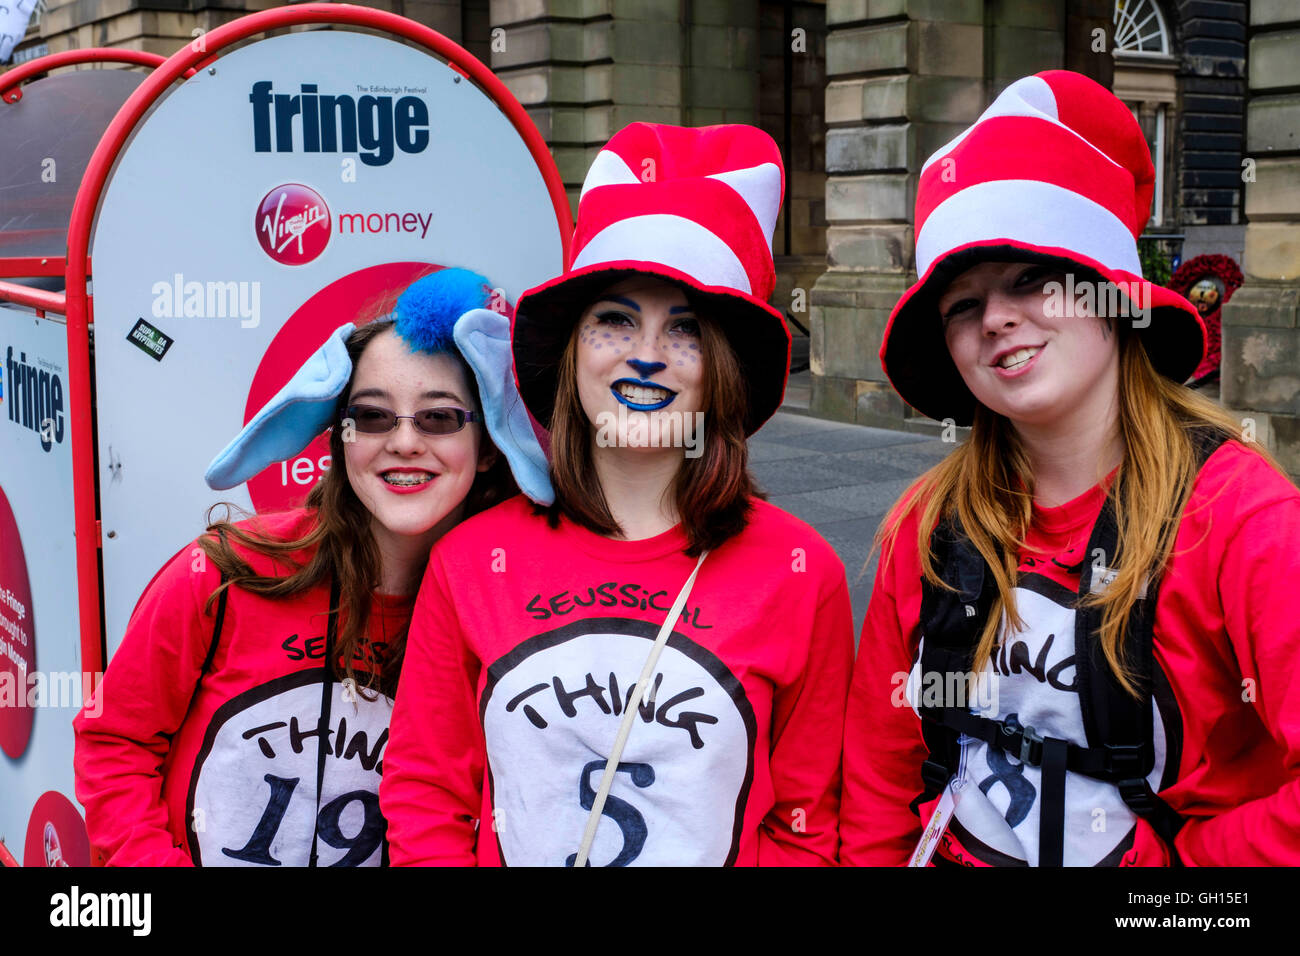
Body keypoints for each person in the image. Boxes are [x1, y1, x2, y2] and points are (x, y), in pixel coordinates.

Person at [840, 70, 1300, 867]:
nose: (996, 319)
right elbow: (880, 771)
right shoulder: (927, 522)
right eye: (961, 305)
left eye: (1031, 281)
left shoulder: (1244, 516)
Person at [381, 123, 855, 866]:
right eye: (615, 320)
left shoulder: (801, 571)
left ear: (721, 371)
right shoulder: (472, 560)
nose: (646, 356)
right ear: (570, 353)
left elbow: (807, 822)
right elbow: (426, 794)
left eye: (686, 330)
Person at [72, 268, 551, 867]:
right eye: (373, 416)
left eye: (439, 418)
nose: (404, 442)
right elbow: (115, 740)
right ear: (340, 437)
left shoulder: (507, 615)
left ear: (487, 449)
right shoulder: (225, 570)